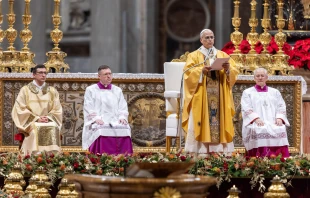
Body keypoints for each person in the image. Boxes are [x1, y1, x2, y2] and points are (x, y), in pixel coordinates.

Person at [182, 29, 239, 154]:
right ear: (201, 40)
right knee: (201, 121)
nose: (210, 40)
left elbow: (234, 72)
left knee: (218, 120)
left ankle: (219, 151)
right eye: (207, 38)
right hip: (201, 97)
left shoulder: (222, 55)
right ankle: (200, 152)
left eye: (212, 37)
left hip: (220, 96)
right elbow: (187, 74)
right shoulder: (194, 55)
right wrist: (201, 71)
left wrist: (228, 69)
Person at [12, 64, 63, 155]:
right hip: (32, 122)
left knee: (53, 128)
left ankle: (53, 158)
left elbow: (57, 109)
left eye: (45, 73)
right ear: (34, 75)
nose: (43, 75)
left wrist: (48, 117)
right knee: (36, 130)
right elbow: (19, 108)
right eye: (40, 73)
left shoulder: (52, 91)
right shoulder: (25, 90)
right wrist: (36, 118)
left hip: (48, 121)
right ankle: (33, 158)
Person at [82, 65, 133, 155]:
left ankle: (123, 159)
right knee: (101, 130)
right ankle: (101, 159)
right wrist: (96, 118)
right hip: (99, 121)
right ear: (99, 76)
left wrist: (122, 117)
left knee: (125, 129)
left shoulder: (117, 90)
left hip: (115, 121)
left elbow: (123, 106)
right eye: (105, 74)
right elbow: (88, 106)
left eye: (110, 74)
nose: (109, 76)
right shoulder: (91, 90)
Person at [241, 68, 290, 157]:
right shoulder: (247, 92)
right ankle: (259, 159)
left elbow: (281, 105)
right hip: (256, 121)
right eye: (257, 76)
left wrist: (279, 117)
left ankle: (280, 159)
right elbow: (246, 107)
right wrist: (255, 118)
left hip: (273, 121)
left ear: (266, 77)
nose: (260, 78)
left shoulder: (275, 92)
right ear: (254, 78)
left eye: (262, 76)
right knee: (259, 129)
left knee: (280, 128)